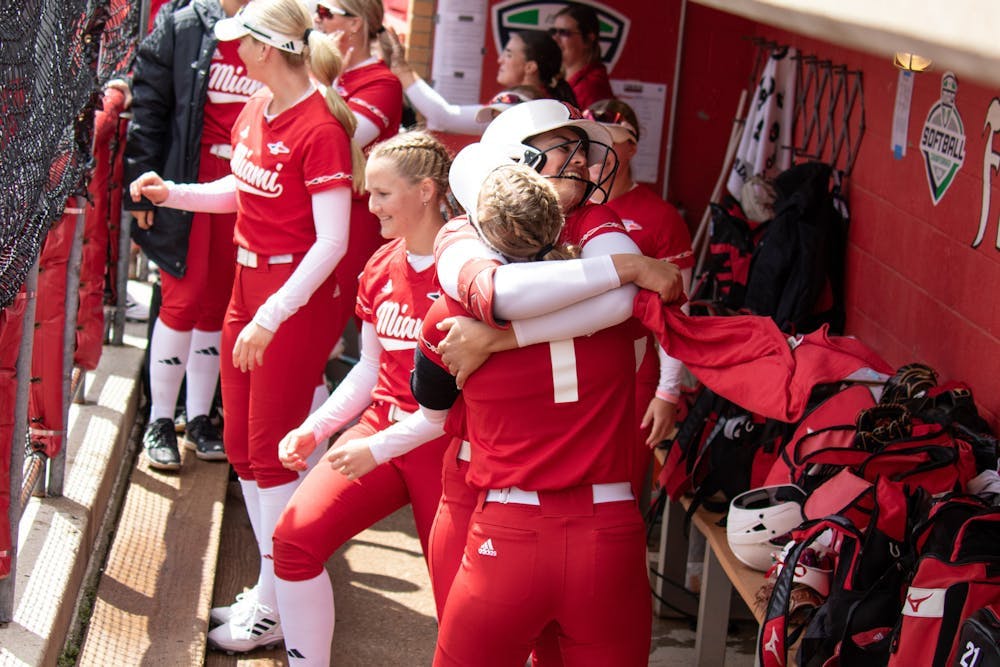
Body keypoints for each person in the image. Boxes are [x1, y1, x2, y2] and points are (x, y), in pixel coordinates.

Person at [127, 0, 365, 652]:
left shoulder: (320, 126)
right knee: (241, 450)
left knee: (268, 454)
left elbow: (331, 242)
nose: (233, 51)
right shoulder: (258, 105)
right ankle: (271, 592)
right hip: (248, 285)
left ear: (268, 47)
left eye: (243, 43)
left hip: (288, 297)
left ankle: (279, 600)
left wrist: (270, 314)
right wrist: (171, 192)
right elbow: (239, 190)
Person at [414, 156, 671, 666]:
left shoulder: (452, 313)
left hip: (510, 530)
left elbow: (432, 402)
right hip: (610, 529)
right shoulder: (620, 307)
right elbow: (643, 312)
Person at [269, 130, 455, 666]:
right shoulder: (378, 265)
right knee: (294, 541)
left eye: (382, 194)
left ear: (425, 191)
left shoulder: (468, 265)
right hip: (380, 428)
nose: (370, 207)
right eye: (367, 193)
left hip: (447, 447)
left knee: (461, 603)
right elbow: (371, 367)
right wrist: (316, 427)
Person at [123, 0, 259, 470]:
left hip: (249, 185)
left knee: (221, 302)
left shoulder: (271, 24)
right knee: (183, 297)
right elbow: (149, 110)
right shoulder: (183, 24)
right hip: (189, 180)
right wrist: (142, 192)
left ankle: (199, 417)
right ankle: (161, 418)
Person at [586, 97, 695, 495]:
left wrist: (668, 390)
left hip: (633, 364)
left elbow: (677, 314)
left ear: (630, 148)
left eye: (609, 140)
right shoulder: (565, 205)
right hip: (571, 363)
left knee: (624, 486)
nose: (596, 153)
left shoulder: (661, 217)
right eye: (588, 140)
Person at [311, 0, 404, 352]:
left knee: (323, 333)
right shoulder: (337, 78)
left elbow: (333, 140)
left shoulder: (383, 82)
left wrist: (318, 80)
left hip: (357, 217)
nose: (317, 19)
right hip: (316, 209)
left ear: (354, 24)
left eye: (325, 11)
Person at [385, 27, 576, 135]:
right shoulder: (549, 100)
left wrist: (401, 69)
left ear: (530, 67)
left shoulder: (515, 102)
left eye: (509, 54)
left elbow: (444, 117)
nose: (500, 60)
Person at [550, 3, 613, 110]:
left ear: (588, 40)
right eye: (553, 32)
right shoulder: (558, 80)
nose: (555, 39)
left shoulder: (591, 87)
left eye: (564, 33)